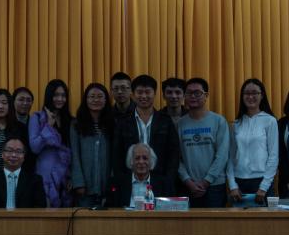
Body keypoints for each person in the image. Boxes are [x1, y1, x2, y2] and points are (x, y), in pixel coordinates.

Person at [112, 74, 179, 195]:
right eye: (139, 92)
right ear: (133, 94)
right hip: (130, 182)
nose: (143, 96)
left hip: (160, 181)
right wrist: (121, 181)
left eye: (148, 92)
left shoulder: (165, 120)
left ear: (155, 93)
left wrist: (168, 180)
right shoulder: (123, 122)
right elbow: (117, 155)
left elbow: (173, 154)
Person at [177, 78, 231, 208]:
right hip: (189, 186)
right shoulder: (180, 123)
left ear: (206, 96)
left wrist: (207, 181)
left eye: (197, 93)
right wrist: (188, 181)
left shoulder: (219, 121)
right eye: (189, 93)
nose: (193, 96)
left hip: (215, 186)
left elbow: (222, 155)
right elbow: (176, 158)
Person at [227, 79, 278, 206]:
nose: (250, 97)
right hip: (239, 183)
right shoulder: (236, 124)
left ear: (262, 95)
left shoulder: (270, 121)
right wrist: (232, 185)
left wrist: (264, 187)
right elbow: (230, 157)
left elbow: (273, 156)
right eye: (247, 93)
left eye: (255, 93)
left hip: (262, 181)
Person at [29, 79, 73, 207]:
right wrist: (48, 126)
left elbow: (73, 151)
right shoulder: (37, 118)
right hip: (45, 180)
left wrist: (71, 177)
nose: (60, 99)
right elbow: (34, 147)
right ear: (49, 96)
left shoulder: (70, 120)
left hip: (65, 180)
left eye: (63, 95)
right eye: (56, 95)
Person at [70, 83, 113, 208]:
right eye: (92, 96)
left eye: (100, 96)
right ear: (86, 100)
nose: (96, 100)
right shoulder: (76, 124)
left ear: (106, 100)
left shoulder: (113, 123)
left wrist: (113, 182)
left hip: (107, 185)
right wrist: (78, 183)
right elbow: (74, 154)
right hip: (84, 188)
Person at [0, 138, 46, 209]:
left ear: (24, 156)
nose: (14, 155)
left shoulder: (35, 180)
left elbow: (41, 207)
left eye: (19, 151)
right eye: (9, 150)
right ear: (2, 154)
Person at [107, 143, 168, 208]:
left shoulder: (164, 185)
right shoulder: (117, 183)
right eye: (137, 158)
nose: (141, 162)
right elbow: (109, 209)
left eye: (145, 158)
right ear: (131, 161)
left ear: (151, 161)